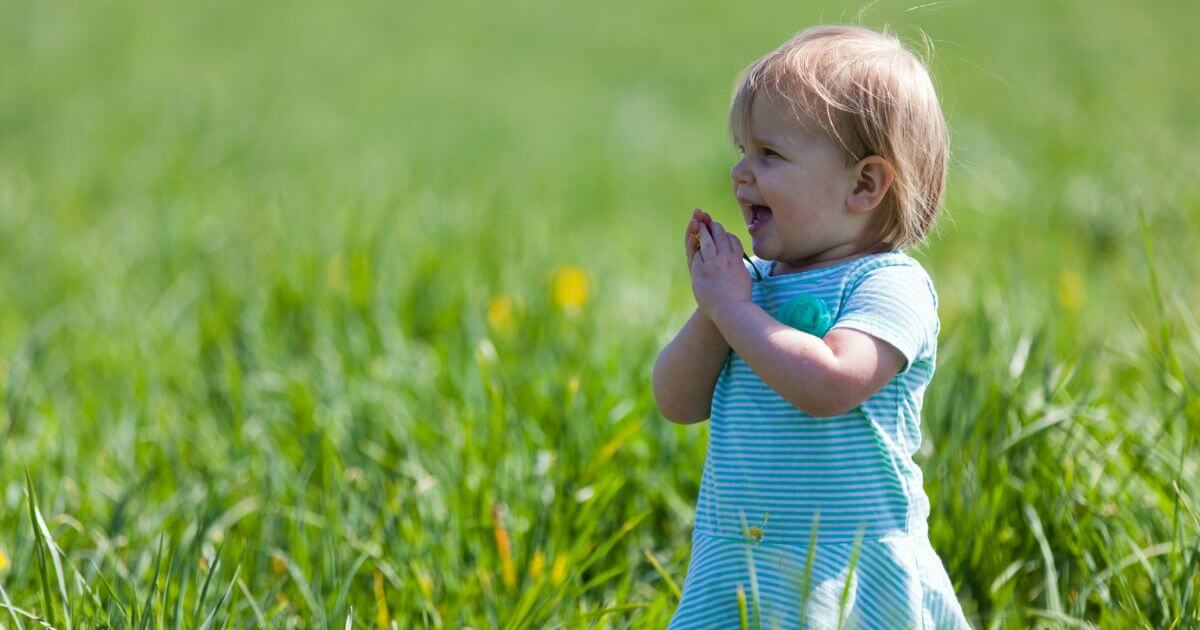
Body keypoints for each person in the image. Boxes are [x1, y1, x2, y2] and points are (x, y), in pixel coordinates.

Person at [652, 25, 971, 628]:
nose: (741, 173)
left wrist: (736, 310)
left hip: (848, 568)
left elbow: (829, 383)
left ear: (865, 185)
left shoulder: (887, 285)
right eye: (741, 151)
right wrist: (715, 308)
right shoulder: (753, 286)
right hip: (738, 560)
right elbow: (675, 400)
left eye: (769, 154)